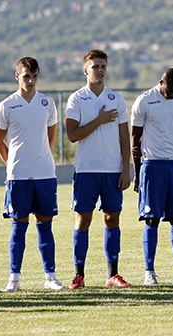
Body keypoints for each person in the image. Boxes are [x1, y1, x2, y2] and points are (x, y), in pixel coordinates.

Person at [0, 57, 64, 291]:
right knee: (18, 227)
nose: (31, 80)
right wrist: (12, 162)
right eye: (26, 76)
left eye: (34, 76)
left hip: (44, 173)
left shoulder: (47, 103)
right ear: (18, 76)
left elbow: (51, 137)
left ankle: (50, 277)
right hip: (18, 175)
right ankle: (13, 279)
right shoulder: (6, 105)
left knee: (45, 226)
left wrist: (41, 156)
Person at [65, 49, 132, 289]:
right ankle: (79, 275)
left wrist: (126, 169)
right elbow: (72, 135)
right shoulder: (76, 99)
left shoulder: (116, 99)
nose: (100, 70)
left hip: (112, 170)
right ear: (85, 70)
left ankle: (113, 274)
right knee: (83, 220)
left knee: (112, 219)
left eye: (103, 66)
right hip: (86, 170)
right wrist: (99, 120)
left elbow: (125, 138)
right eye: (95, 66)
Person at [131, 68, 173, 285]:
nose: (171, 95)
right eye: (168, 90)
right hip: (152, 166)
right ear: (160, 82)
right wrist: (137, 173)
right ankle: (149, 273)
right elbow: (135, 141)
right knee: (151, 219)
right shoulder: (144, 101)